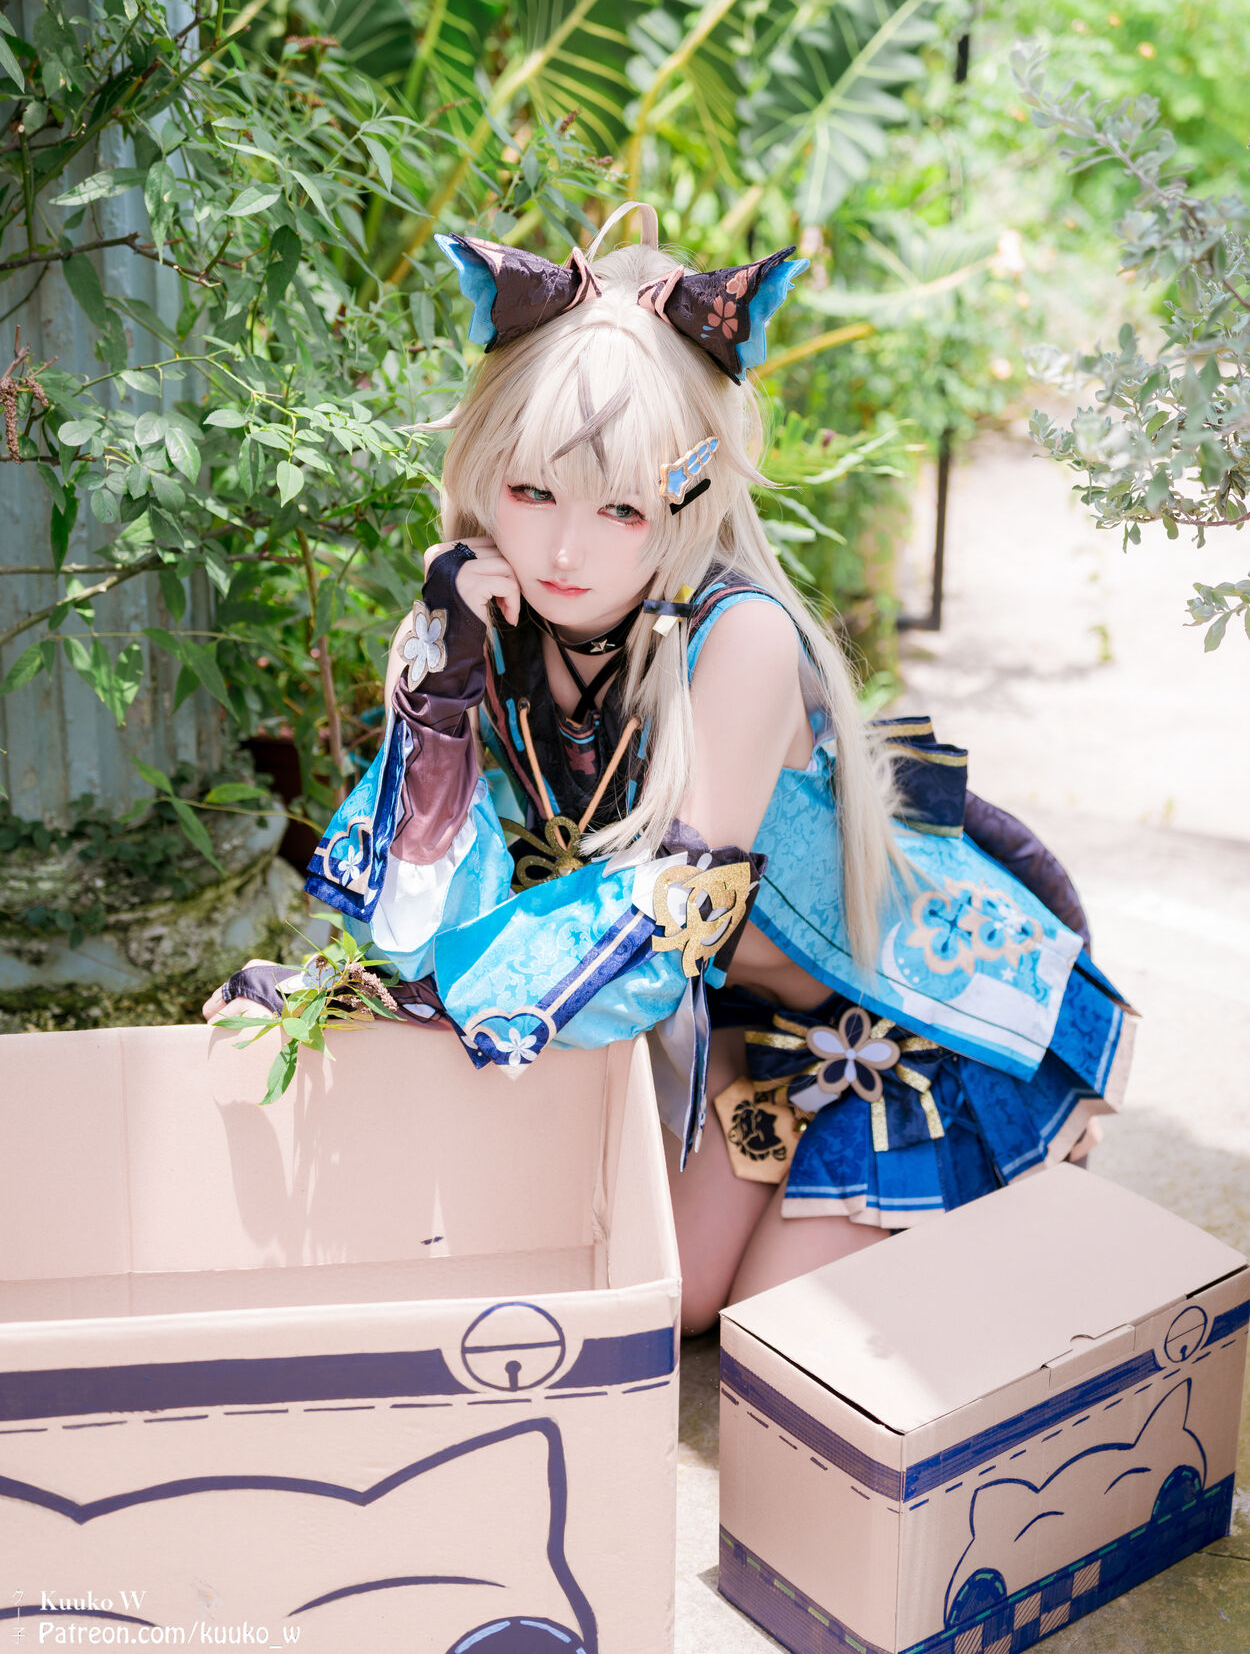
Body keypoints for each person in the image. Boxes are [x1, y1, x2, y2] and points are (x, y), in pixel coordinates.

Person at [205, 204, 1133, 1335]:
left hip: (921, 1020)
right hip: (742, 1029)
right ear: (483, 470)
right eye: (532, 491)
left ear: (687, 495)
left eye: (621, 507)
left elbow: (664, 929)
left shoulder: (739, 638)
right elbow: (411, 919)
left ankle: (1016, 1182)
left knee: (769, 1330)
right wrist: (440, 689)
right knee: (671, 1299)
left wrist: (414, 1005)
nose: (565, 550)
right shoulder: (477, 620)